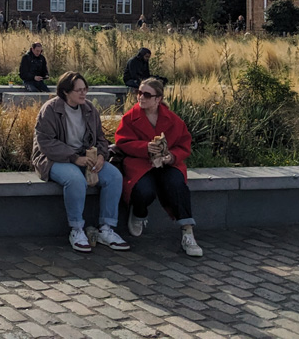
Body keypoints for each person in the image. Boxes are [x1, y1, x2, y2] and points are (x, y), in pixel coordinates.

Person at [32, 71, 130, 253]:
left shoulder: (89, 109)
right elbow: (45, 142)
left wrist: (101, 156)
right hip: (53, 159)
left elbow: (101, 138)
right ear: (66, 92)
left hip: (86, 157)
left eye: (85, 89)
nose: (83, 94)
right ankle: (76, 229)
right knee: (75, 179)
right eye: (79, 90)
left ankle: (107, 228)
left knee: (114, 176)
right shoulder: (51, 109)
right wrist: (74, 158)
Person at [114, 78, 203, 257]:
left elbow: (184, 145)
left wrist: (172, 157)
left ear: (158, 99)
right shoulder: (130, 118)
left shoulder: (173, 120)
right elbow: (121, 142)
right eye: (139, 92)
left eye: (147, 94)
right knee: (142, 190)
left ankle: (187, 232)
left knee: (177, 185)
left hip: (167, 164)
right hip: (140, 163)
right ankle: (138, 213)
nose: (141, 97)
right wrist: (144, 147)